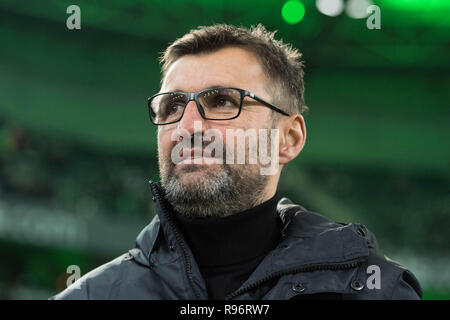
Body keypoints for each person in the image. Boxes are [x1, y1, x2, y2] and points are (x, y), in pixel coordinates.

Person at [51, 24, 422, 300]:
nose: (187, 127)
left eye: (223, 101)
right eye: (173, 105)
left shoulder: (378, 290)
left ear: (288, 139)